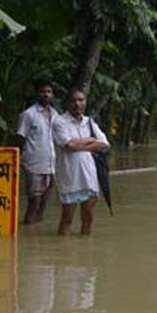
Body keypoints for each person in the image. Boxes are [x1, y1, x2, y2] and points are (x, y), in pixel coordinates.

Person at [52, 89, 110, 235]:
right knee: (67, 219)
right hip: (70, 178)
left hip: (90, 177)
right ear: (67, 103)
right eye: (74, 100)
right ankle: (63, 252)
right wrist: (91, 140)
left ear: (85, 102)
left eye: (81, 100)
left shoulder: (89, 122)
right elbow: (70, 146)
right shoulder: (59, 122)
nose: (77, 104)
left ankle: (86, 250)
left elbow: (104, 144)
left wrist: (80, 144)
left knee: (88, 217)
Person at [16, 79, 59, 225]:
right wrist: (17, 160)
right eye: (42, 92)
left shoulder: (55, 114)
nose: (46, 95)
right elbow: (20, 138)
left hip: (50, 164)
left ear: (52, 94)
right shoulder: (28, 114)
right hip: (33, 163)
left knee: (44, 202)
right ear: (37, 94)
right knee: (34, 200)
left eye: (48, 92)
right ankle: (28, 226)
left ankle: (37, 230)